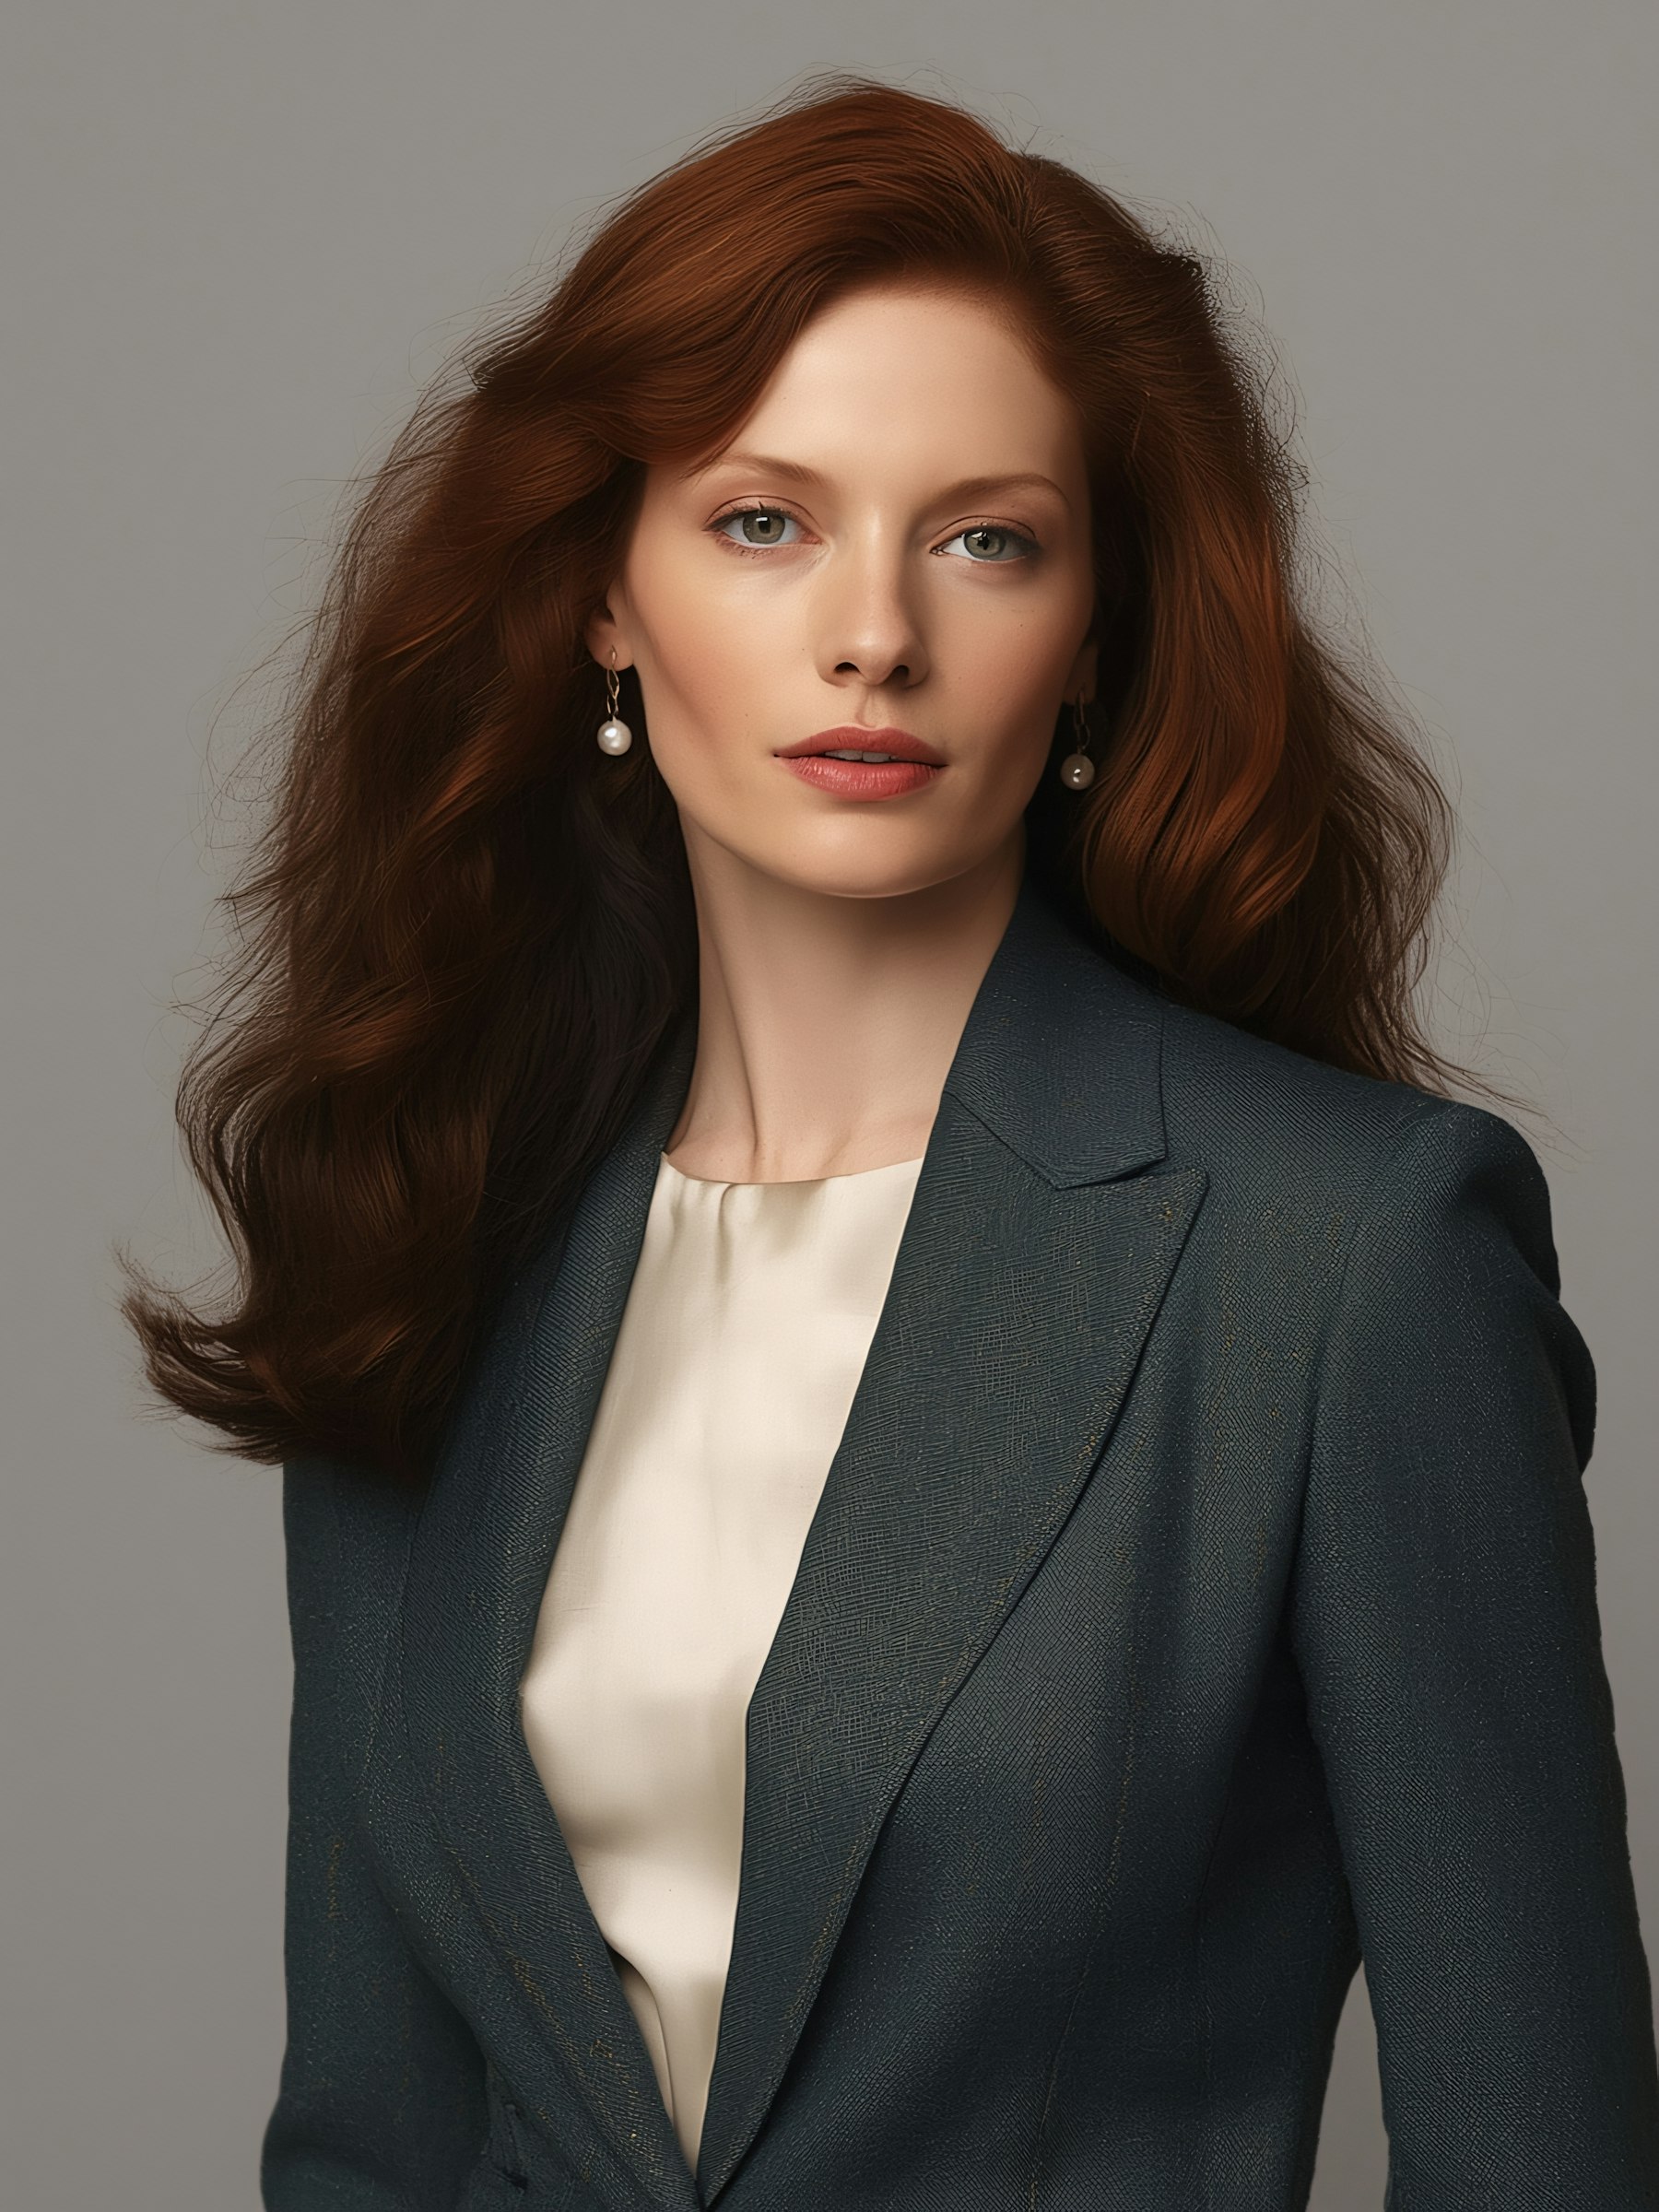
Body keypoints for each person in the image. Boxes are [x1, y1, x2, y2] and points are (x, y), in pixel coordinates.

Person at [124, 73, 1659, 2212]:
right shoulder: (433, 1231)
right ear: (603, 593)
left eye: (984, 538)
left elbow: (1540, 2151)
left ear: (1094, 634)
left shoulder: (1345, 1259)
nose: (875, 633)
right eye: (765, 522)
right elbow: (369, 2137)